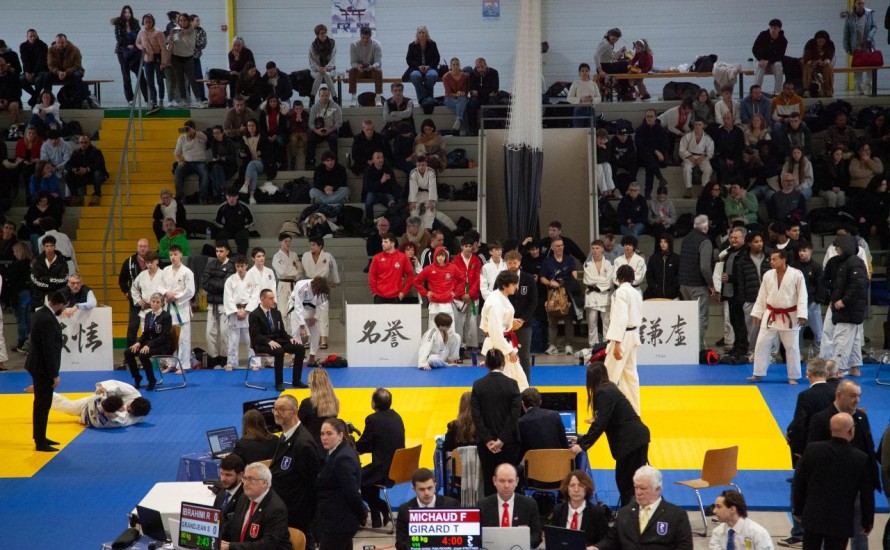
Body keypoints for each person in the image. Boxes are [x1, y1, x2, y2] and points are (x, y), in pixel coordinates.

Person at [793, 412, 875, 550]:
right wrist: (867, 521)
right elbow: (866, 494)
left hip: (813, 516)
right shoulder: (860, 458)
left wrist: (797, 509)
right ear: (851, 430)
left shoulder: (812, 450)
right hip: (840, 520)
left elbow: (800, 483)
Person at [591, 465, 693, 550]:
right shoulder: (624, 513)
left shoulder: (676, 515)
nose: (638, 492)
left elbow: (685, 547)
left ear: (657, 489)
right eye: (636, 487)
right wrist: (597, 547)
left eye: (643, 488)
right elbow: (612, 539)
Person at [748, 250, 808, 384]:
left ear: (783, 260)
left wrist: (802, 314)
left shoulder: (796, 274)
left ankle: (793, 375)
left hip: (790, 315)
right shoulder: (768, 275)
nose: (771, 262)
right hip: (771, 314)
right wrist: (757, 313)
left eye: (774, 259)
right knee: (761, 344)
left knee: (792, 347)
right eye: (771, 259)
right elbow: (762, 296)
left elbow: (802, 296)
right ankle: (758, 373)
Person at [269, 394, 323, 537]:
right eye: (275, 409)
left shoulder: (303, 444)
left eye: (282, 409)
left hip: (297, 514)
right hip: (285, 509)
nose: (277, 413)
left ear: (294, 412)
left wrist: (312, 518)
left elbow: (312, 483)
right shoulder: (285, 436)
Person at [471, 349, 521, 496]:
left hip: (486, 445)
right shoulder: (512, 384)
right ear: (503, 363)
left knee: (489, 480)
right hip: (509, 443)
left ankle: (490, 509)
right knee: (509, 480)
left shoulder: (478, 385)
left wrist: (488, 440)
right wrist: (502, 439)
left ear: (486, 364)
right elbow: (514, 416)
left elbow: (476, 416)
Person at [355, 388, 406, 528]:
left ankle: (382, 506)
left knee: (355, 478)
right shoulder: (397, 416)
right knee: (369, 478)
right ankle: (376, 520)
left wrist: (349, 444)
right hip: (400, 468)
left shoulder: (373, 420)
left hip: (385, 470)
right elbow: (380, 441)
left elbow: (363, 445)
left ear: (374, 403)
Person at [25, 290, 65, 452]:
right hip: (42, 367)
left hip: (37, 364)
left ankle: (40, 436)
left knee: (41, 403)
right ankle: (40, 441)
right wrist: (54, 374)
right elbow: (48, 349)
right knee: (43, 404)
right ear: (59, 304)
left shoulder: (40, 313)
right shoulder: (47, 319)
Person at [316, 418, 365, 550]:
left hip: (339, 523)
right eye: (322, 434)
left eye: (329, 434)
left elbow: (352, 492)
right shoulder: (337, 452)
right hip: (338, 520)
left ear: (340, 435)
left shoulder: (342, 458)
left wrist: (362, 514)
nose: (324, 438)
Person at [219, 461, 291, 550]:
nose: (245, 483)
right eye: (245, 478)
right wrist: (216, 539)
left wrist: (231, 546)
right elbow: (231, 525)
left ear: (264, 483)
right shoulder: (244, 498)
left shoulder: (276, 509)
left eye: (251, 479)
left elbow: (267, 544)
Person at [601, 265, 643, 414]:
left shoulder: (620, 292)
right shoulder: (636, 293)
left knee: (608, 375)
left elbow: (620, 318)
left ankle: (602, 413)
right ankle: (634, 411)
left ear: (618, 278)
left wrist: (617, 343)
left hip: (622, 336)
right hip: (633, 336)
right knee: (630, 374)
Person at [248, 289, 307, 391]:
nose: (273, 300)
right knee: (279, 351)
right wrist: (269, 341)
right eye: (270, 298)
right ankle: (279, 383)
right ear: (262, 299)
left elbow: (282, 332)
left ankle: (296, 380)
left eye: (273, 298)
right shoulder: (254, 315)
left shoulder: (276, 313)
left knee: (300, 348)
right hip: (263, 344)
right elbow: (255, 336)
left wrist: (291, 338)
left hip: (278, 341)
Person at [480, 271, 529, 391]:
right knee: (509, 379)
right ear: (504, 286)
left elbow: (501, 321)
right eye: (513, 285)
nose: (516, 287)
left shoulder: (500, 296)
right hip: (498, 345)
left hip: (503, 341)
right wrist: (509, 351)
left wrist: (511, 321)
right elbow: (495, 331)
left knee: (517, 378)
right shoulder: (495, 302)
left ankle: (521, 399)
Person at [477, 463, 543, 548]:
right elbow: (477, 536)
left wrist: (523, 539)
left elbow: (537, 536)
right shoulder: (483, 505)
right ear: (494, 481)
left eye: (510, 481)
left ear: (517, 481)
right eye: (502, 481)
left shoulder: (529, 504)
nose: (506, 486)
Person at [395, 468, 461, 550]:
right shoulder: (405, 510)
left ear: (435, 485)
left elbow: (460, 539)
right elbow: (400, 543)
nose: (426, 493)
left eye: (429, 488)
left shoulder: (451, 505)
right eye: (421, 489)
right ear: (414, 489)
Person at [50, 379, 151, 429]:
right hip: (95, 401)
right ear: (134, 400)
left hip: (97, 416)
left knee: (68, 406)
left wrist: (112, 415)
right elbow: (115, 384)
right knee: (67, 406)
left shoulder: (136, 418)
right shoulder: (133, 393)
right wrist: (104, 388)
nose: (128, 409)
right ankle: (45, 393)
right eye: (130, 407)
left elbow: (119, 421)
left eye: (130, 411)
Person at [679, 215, 716, 348]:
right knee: (701, 317)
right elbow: (705, 267)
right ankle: (697, 348)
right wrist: (711, 284)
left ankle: (690, 345)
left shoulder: (686, 239)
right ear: (706, 227)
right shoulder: (705, 241)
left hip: (684, 283)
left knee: (690, 316)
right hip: (698, 284)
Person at [123, 292, 171, 391]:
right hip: (150, 344)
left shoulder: (166, 316)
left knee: (143, 355)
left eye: (157, 302)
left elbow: (164, 336)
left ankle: (151, 379)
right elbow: (145, 334)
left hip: (162, 345)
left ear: (162, 303)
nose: (155, 304)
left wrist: (149, 345)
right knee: (128, 352)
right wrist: (138, 343)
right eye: (153, 301)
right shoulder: (148, 315)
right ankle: (137, 377)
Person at [550, 470, 610, 547]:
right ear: (567, 488)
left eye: (581, 486)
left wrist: (596, 547)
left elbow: (606, 538)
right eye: (572, 485)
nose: (576, 490)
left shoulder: (597, 512)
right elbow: (553, 538)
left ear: (587, 488)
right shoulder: (558, 510)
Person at [158, 245, 195, 370]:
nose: (173, 257)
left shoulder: (187, 272)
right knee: (169, 338)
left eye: (175, 254)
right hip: (168, 308)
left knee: (183, 339)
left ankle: (183, 365)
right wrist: (166, 293)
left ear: (180, 255)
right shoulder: (165, 270)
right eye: (171, 255)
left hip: (181, 308)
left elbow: (190, 291)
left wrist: (176, 296)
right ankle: (171, 364)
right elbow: (160, 286)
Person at [301, 237, 339, 350]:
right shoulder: (305, 256)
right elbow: (302, 271)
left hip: (322, 284)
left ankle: (323, 339)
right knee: (308, 313)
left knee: (323, 313)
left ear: (320, 246)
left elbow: (334, 268)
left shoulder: (327, 256)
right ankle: (309, 338)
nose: (311, 246)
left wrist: (335, 281)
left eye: (313, 244)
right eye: (310, 244)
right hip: (309, 284)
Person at [201, 242, 235, 368]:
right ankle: (214, 357)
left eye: (221, 251)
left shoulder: (231, 266)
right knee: (209, 332)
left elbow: (226, 285)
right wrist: (217, 283)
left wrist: (213, 282)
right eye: (217, 251)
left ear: (227, 251)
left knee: (225, 332)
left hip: (225, 304)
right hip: (211, 304)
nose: (218, 253)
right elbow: (204, 283)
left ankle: (225, 357)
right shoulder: (211, 264)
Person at [505, 250, 537, 380]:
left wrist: (522, 319)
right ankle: (507, 384)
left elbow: (533, 302)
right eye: (510, 263)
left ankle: (526, 385)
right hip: (506, 324)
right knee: (505, 354)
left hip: (524, 324)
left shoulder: (528, 279)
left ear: (519, 262)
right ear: (506, 263)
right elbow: (499, 301)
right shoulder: (502, 278)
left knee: (524, 356)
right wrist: (510, 320)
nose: (512, 265)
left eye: (515, 262)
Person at [286, 276, 330, 367]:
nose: (317, 294)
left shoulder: (322, 291)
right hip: (295, 307)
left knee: (316, 331)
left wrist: (315, 318)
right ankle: (295, 359)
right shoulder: (302, 286)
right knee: (296, 332)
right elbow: (298, 306)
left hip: (310, 308)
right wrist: (302, 326)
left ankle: (312, 358)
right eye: (316, 292)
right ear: (313, 287)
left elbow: (322, 304)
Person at [709, 491, 774, 550]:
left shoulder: (758, 534)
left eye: (719, 507)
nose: (714, 511)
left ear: (732, 509)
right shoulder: (717, 532)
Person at [414, 247, 463, 326]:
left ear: (445, 256)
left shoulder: (452, 268)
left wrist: (456, 292)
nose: (440, 257)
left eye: (442, 255)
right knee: (434, 328)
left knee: (449, 329)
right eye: (438, 255)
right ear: (435, 256)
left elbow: (462, 280)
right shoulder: (429, 269)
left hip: (447, 302)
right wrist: (425, 293)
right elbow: (416, 281)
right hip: (434, 303)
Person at [223, 256, 256, 371]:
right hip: (235, 312)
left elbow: (255, 296)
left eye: (242, 266)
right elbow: (227, 298)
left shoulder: (253, 279)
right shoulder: (230, 280)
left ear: (247, 265)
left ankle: (254, 362)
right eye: (237, 266)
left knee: (251, 339)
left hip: (249, 312)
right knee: (233, 340)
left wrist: (246, 311)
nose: (240, 269)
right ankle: (231, 363)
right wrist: (236, 312)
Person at [165, 12, 204, 108]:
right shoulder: (175, 30)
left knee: (191, 78)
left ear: (188, 21)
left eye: (185, 20)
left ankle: (199, 100)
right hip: (176, 57)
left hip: (188, 57)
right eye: (180, 20)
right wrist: (169, 40)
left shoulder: (192, 31)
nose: (182, 22)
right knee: (180, 79)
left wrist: (182, 35)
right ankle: (183, 100)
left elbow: (190, 45)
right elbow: (168, 46)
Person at [518, 387, 568, 456]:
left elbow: (519, 452)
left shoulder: (520, 423)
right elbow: (565, 445)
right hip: (557, 461)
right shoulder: (555, 415)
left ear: (522, 403)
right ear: (540, 401)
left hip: (533, 462)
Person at [112, 5, 146, 107]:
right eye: (125, 12)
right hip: (122, 51)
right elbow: (119, 38)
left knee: (140, 74)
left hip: (134, 51)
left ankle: (147, 98)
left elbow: (140, 36)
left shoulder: (135, 23)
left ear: (131, 13)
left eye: (129, 12)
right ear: (122, 13)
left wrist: (134, 44)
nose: (127, 14)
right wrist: (127, 44)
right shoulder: (118, 24)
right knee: (126, 75)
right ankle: (130, 99)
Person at [369, 232, 415, 303]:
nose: (382, 244)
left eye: (385, 242)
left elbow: (411, 276)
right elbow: (372, 276)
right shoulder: (377, 258)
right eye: (382, 241)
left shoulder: (403, 257)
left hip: (396, 296)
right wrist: (374, 293)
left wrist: (403, 293)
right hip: (379, 296)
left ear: (392, 244)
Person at [45, 34, 89, 108]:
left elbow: (77, 65)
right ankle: (47, 100)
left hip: (71, 73)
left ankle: (83, 100)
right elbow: (50, 65)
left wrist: (66, 72)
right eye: (58, 43)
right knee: (47, 75)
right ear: (55, 42)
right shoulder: (51, 50)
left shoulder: (75, 50)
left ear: (66, 42)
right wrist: (58, 72)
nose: (60, 44)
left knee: (77, 75)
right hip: (57, 73)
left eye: (62, 42)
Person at [844, 0, 878, 96]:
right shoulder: (850, 16)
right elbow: (846, 32)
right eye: (859, 3)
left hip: (867, 44)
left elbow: (874, 27)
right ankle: (858, 87)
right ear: (855, 4)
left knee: (870, 66)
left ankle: (868, 86)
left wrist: (870, 37)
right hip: (856, 45)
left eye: (863, 3)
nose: (861, 5)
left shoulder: (869, 13)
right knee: (858, 67)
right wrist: (846, 46)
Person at [135, 13, 168, 111]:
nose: (148, 24)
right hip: (147, 59)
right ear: (143, 22)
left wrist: (163, 62)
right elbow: (137, 42)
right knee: (150, 81)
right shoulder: (141, 32)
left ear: (153, 22)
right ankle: (154, 101)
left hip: (157, 59)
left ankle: (161, 98)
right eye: (146, 22)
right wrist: (142, 47)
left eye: (149, 22)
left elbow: (163, 48)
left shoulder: (158, 32)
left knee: (159, 80)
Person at [298, 368, 339, 444]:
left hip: (311, 443)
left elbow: (298, 424)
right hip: (330, 441)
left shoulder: (307, 403)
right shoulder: (335, 401)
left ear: (312, 384)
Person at [635, 109, 669, 199]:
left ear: (655, 117)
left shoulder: (661, 130)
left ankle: (648, 193)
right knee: (648, 159)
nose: (649, 118)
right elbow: (640, 146)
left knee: (650, 164)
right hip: (643, 157)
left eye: (651, 116)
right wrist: (655, 151)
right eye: (647, 116)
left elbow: (664, 145)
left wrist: (658, 152)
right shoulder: (640, 130)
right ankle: (660, 178)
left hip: (658, 158)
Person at [404, 26, 440, 110]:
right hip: (416, 68)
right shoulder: (412, 45)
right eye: (420, 33)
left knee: (432, 75)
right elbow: (409, 59)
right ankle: (428, 98)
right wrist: (418, 66)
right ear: (417, 34)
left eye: (423, 32)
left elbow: (437, 58)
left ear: (426, 34)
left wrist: (429, 66)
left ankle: (424, 100)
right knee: (414, 76)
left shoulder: (432, 44)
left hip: (430, 68)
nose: (421, 34)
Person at [305, 86, 342, 170]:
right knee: (311, 139)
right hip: (318, 130)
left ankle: (334, 162)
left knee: (333, 139)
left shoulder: (336, 106)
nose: (325, 97)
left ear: (329, 95)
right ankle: (310, 162)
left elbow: (339, 122)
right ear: (319, 96)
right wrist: (316, 130)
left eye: (326, 95)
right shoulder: (314, 107)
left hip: (331, 130)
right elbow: (310, 123)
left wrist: (330, 130)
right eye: (322, 96)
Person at [173, 120, 209, 202]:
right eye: (186, 129)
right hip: (186, 162)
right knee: (178, 171)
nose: (188, 131)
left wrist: (193, 132)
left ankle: (202, 197)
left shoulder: (199, 135)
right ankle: (180, 196)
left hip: (200, 162)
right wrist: (179, 161)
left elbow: (205, 139)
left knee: (205, 173)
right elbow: (176, 153)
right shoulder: (181, 138)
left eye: (189, 129)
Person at [30, 235, 68, 310]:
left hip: (57, 294)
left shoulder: (62, 262)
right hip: (40, 296)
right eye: (47, 246)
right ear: (43, 247)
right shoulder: (37, 261)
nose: (49, 248)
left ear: (55, 246)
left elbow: (64, 279)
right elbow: (34, 279)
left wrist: (47, 279)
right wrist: (48, 286)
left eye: (51, 245)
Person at [680, 119, 714, 198]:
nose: (697, 127)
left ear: (703, 126)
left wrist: (703, 157)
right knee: (686, 168)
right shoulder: (687, 136)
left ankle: (704, 189)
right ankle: (688, 189)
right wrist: (690, 157)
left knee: (708, 169)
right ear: (693, 125)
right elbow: (682, 149)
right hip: (690, 156)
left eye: (699, 124)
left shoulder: (708, 138)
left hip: (702, 157)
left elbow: (710, 151)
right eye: (696, 124)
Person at [349, 27, 383, 107]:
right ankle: (353, 97)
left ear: (370, 36)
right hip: (359, 70)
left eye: (367, 38)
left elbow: (378, 62)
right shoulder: (354, 45)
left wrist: (372, 67)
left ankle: (378, 97)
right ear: (360, 36)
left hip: (371, 70)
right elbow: (353, 62)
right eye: (363, 37)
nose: (364, 40)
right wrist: (358, 66)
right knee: (351, 71)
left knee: (379, 71)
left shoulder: (376, 44)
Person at [752, 19, 787, 95]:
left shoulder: (783, 40)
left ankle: (777, 92)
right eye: (771, 28)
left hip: (773, 62)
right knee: (760, 66)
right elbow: (754, 49)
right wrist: (760, 59)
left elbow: (780, 55)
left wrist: (769, 61)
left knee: (778, 65)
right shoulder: (763, 35)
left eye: (775, 28)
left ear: (779, 29)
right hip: (761, 60)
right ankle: (756, 91)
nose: (772, 30)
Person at [215, 453, 246, 535]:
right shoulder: (221, 494)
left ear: (240, 475)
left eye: (228, 475)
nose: (223, 479)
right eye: (221, 474)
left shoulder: (246, 498)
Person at [467, 58, 500, 135]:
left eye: (482, 66)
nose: (480, 69)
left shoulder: (494, 72)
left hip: (489, 98)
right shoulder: (472, 74)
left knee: (493, 101)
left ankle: (490, 128)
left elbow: (495, 89)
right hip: (478, 98)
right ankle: (473, 130)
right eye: (478, 67)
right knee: (471, 103)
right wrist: (487, 92)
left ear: (486, 65)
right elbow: (471, 90)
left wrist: (478, 92)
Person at [208, 125, 239, 204]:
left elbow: (233, 157)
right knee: (214, 169)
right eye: (214, 133)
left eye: (218, 133)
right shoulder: (213, 143)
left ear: (222, 133)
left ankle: (217, 194)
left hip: (230, 165)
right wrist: (217, 159)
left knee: (214, 171)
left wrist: (224, 158)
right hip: (219, 165)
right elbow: (214, 157)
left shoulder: (229, 142)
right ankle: (221, 192)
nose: (216, 135)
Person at [19, 29, 50, 107]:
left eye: (34, 36)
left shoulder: (43, 45)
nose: (33, 38)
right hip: (28, 70)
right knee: (20, 79)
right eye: (31, 36)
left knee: (38, 80)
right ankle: (36, 96)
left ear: (37, 36)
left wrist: (33, 73)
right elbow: (24, 60)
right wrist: (27, 72)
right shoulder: (23, 46)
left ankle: (34, 98)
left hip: (41, 70)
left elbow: (41, 61)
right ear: (27, 37)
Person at [408, 155, 438, 229]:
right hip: (417, 193)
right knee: (413, 209)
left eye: (423, 165)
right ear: (416, 165)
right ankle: (415, 227)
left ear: (426, 164)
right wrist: (412, 201)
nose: (421, 167)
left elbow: (432, 186)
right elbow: (413, 188)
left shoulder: (431, 171)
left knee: (431, 209)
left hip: (429, 193)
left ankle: (426, 228)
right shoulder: (413, 172)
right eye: (419, 165)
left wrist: (431, 200)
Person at [309, 24, 337, 100]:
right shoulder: (313, 46)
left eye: (325, 32)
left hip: (330, 70)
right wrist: (318, 68)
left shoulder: (332, 44)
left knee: (325, 73)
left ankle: (312, 98)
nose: (324, 35)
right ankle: (335, 97)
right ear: (317, 34)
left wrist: (326, 68)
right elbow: (312, 62)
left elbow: (332, 60)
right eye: (321, 33)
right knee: (320, 74)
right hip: (316, 71)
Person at [443, 57, 469, 133]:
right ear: (450, 66)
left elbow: (466, 90)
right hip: (450, 98)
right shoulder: (446, 77)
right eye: (453, 65)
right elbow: (448, 93)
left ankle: (458, 121)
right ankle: (464, 130)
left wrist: (462, 93)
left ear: (459, 65)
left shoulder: (465, 76)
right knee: (463, 108)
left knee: (462, 99)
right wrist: (456, 94)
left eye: (457, 64)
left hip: (461, 97)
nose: (456, 66)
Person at [0, 57, 22, 124]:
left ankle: (15, 127)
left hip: (12, 101)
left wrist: (7, 101)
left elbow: (18, 92)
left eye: (2, 65)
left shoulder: (14, 77)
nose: (0, 68)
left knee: (14, 106)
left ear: (6, 65)